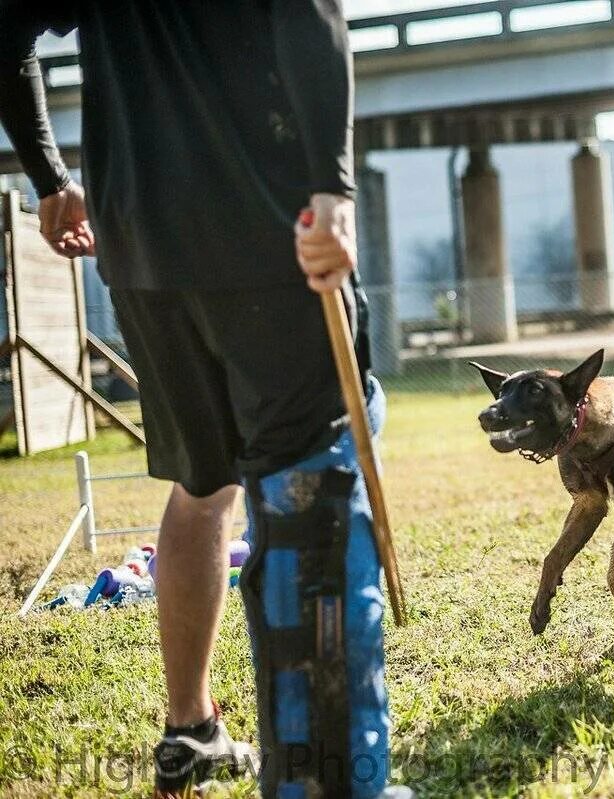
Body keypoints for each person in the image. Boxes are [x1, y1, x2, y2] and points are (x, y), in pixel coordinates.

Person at [0, 2, 412, 797]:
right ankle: (328, 782)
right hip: (269, 234)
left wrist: (50, 179)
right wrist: (333, 187)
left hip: (144, 248)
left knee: (203, 485)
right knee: (312, 488)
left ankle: (191, 731)